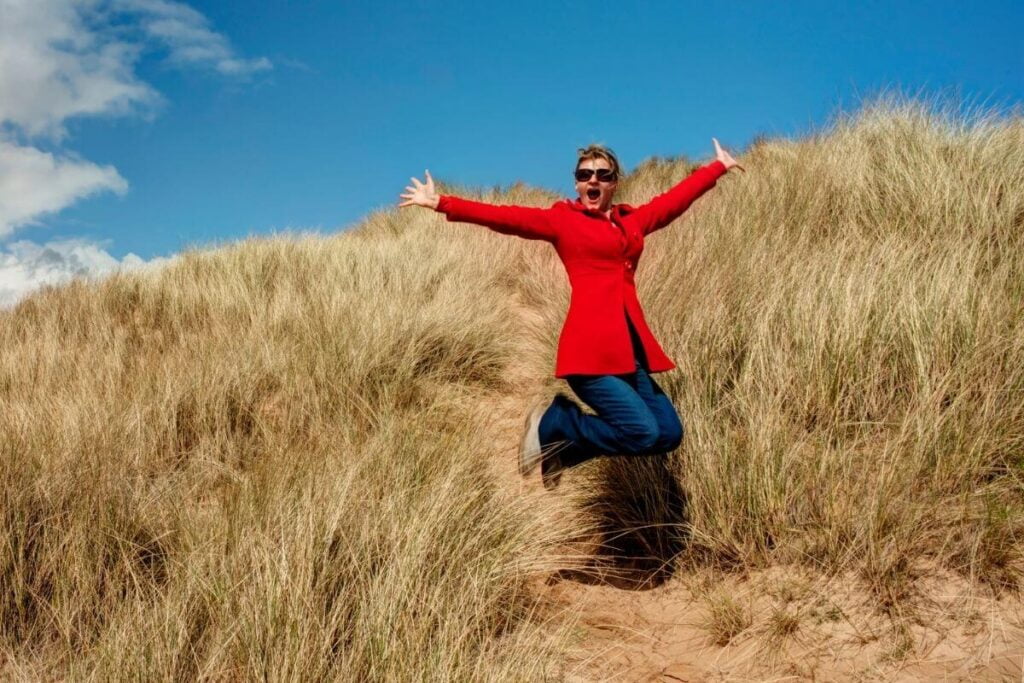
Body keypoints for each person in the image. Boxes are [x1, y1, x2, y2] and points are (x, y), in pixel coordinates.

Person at [398, 140, 743, 489]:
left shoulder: (631, 221)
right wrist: (442, 202)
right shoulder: (563, 221)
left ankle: (562, 450)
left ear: (614, 182)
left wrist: (717, 167)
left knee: (668, 433)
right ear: (577, 183)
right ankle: (558, 422)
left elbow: (672, 203)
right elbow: (507, 217)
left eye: (602, 175)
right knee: (642, 432)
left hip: (630, 353)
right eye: (585, 175)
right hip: (590, 354)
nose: (593, 181)